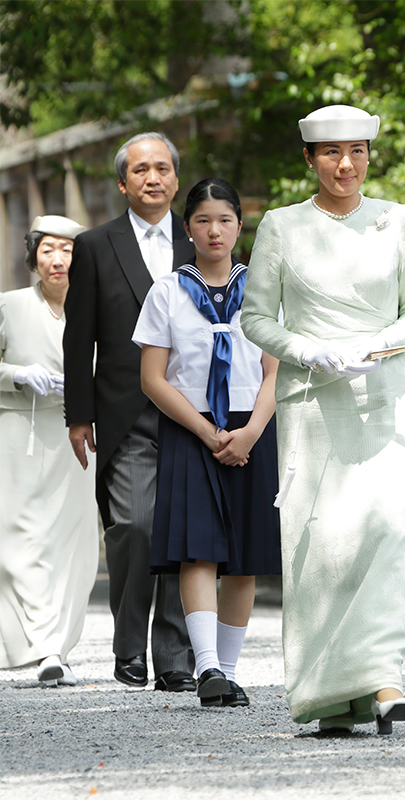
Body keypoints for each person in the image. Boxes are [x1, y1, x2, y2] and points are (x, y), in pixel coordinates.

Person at [240, 105, 405, 734]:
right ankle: (329, 693)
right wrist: (310, 350)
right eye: (330, 153)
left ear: (370, 155)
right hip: (313, 401)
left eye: (356, 151)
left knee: (390, 531)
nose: (345, 164)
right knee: (323, 542)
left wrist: (377, 348)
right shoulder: (280, 226)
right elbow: (257, 318)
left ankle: (384, 679)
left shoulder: (394, 218)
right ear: (309, 159)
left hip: (385, 393)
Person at [132, 178, 281, 708]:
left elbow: (274, 372)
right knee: (199, 549)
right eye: (201, 220)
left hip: (252, 427)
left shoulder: (264, 291)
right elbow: (153, 378)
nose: (214, 230)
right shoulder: (167, 292)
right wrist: (205, 430)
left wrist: (251, 433)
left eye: (224, 220)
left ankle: (231, 670)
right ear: (186, 228)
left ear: (240, 227)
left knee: (244, 557)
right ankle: (208, 668)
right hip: (190, 425)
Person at [63, 132, 196, 690]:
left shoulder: (201, 239)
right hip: (125, 413)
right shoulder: (97, 244)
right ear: (123, 182)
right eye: (140, 170)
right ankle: (128, 644)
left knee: (182, 529)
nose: (153, 178)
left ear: (175, 178)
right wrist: (78, 414)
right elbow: (79, 336)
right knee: (136, 527)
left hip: (193, 411)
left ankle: (174, 658)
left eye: (162, 168)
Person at [0, 215, 98, 686]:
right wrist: (16, 374)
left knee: (72, 541)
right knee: (22, 536)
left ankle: (55, 640)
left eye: (68, 250)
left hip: (79, 436)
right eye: (48, 250)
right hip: (20, 431)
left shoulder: (96, 309)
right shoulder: (10, 305)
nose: (58, 260)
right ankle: (46, 647)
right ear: (34, 257)